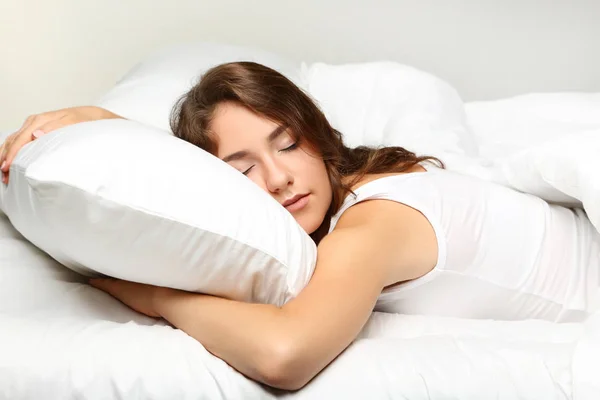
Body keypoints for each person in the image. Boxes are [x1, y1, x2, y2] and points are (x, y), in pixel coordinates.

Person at [1, 62, 598, 391]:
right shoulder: (362, 180)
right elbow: (186, 177)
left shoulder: (374, 223)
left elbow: (285, 354)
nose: (280, 177)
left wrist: (153, 296)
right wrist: (95, 118)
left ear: (315, 134)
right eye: (245, 170)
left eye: (287, 144)